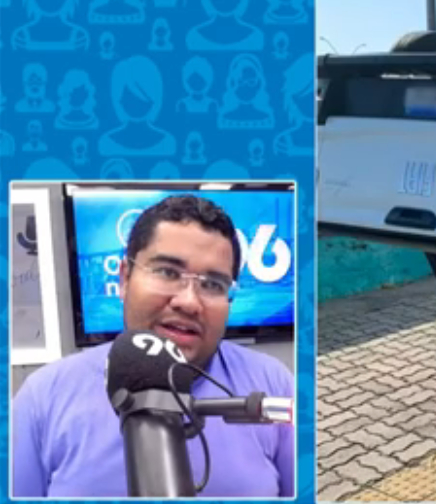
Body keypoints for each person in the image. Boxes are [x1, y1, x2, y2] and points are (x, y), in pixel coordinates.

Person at [12, 195, 294, 498]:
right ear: (124, 278)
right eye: (167, 273)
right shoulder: (43, 397)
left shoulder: (274, 384)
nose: (188, 302)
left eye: (213, 284)